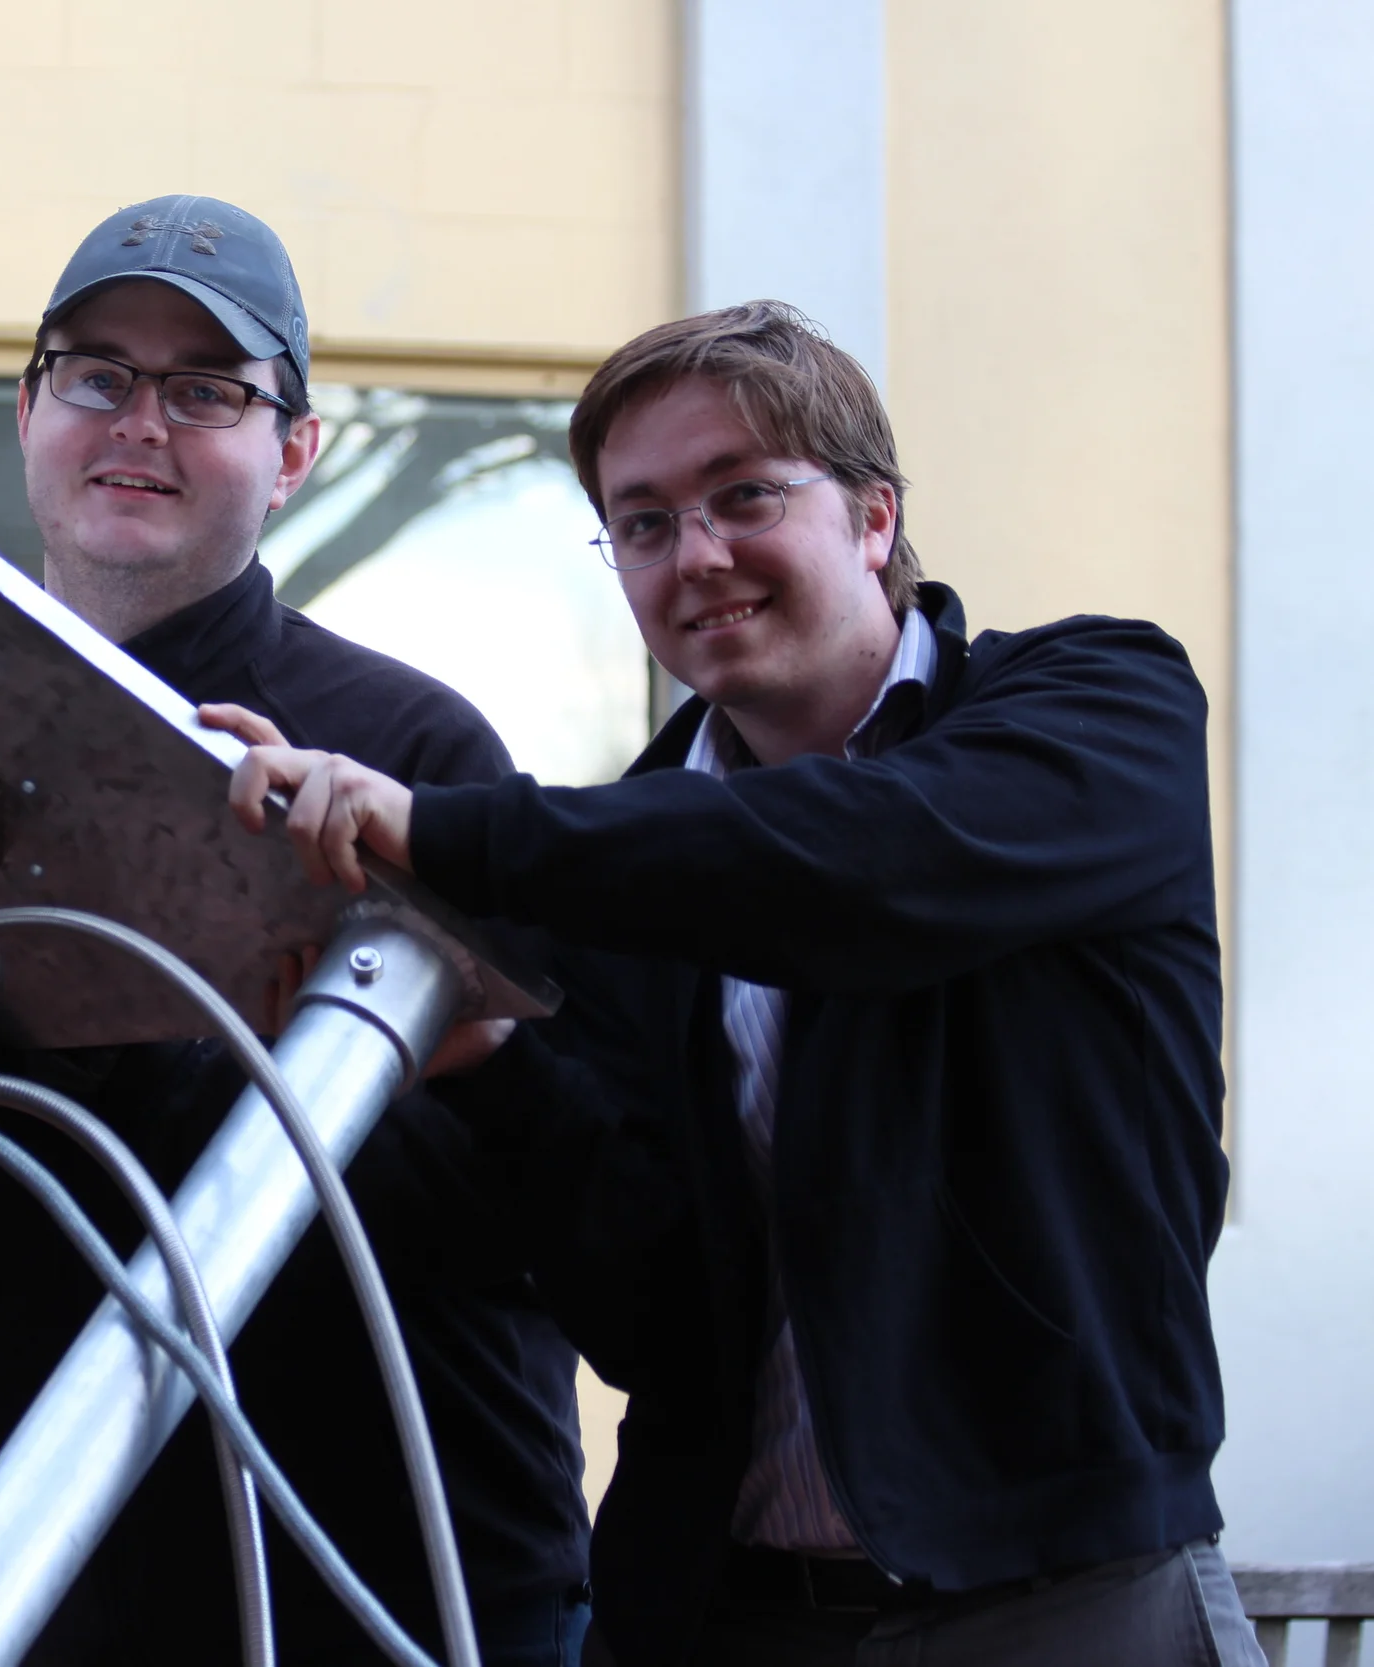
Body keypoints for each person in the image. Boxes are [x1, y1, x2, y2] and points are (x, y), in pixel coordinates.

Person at [227, 301, 1260, 1667]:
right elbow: (652, 1312)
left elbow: (864, 864)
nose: (695, 554)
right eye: (641, 522)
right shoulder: (630, 868)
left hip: (1068, 1597)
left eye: (744, 495)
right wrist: (491, 1059)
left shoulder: (1097, 705)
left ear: (876, 518)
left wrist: (446, 827)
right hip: (719, 1610)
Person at [0, 196, 595, 1664]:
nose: (142, 422)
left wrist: (245, 915)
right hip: (42, 1600)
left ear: (294, 449)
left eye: (207, 391)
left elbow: (535, 1215)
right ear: (28, 408)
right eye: (100, 374)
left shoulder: (401, 754)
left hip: (394, 1608)